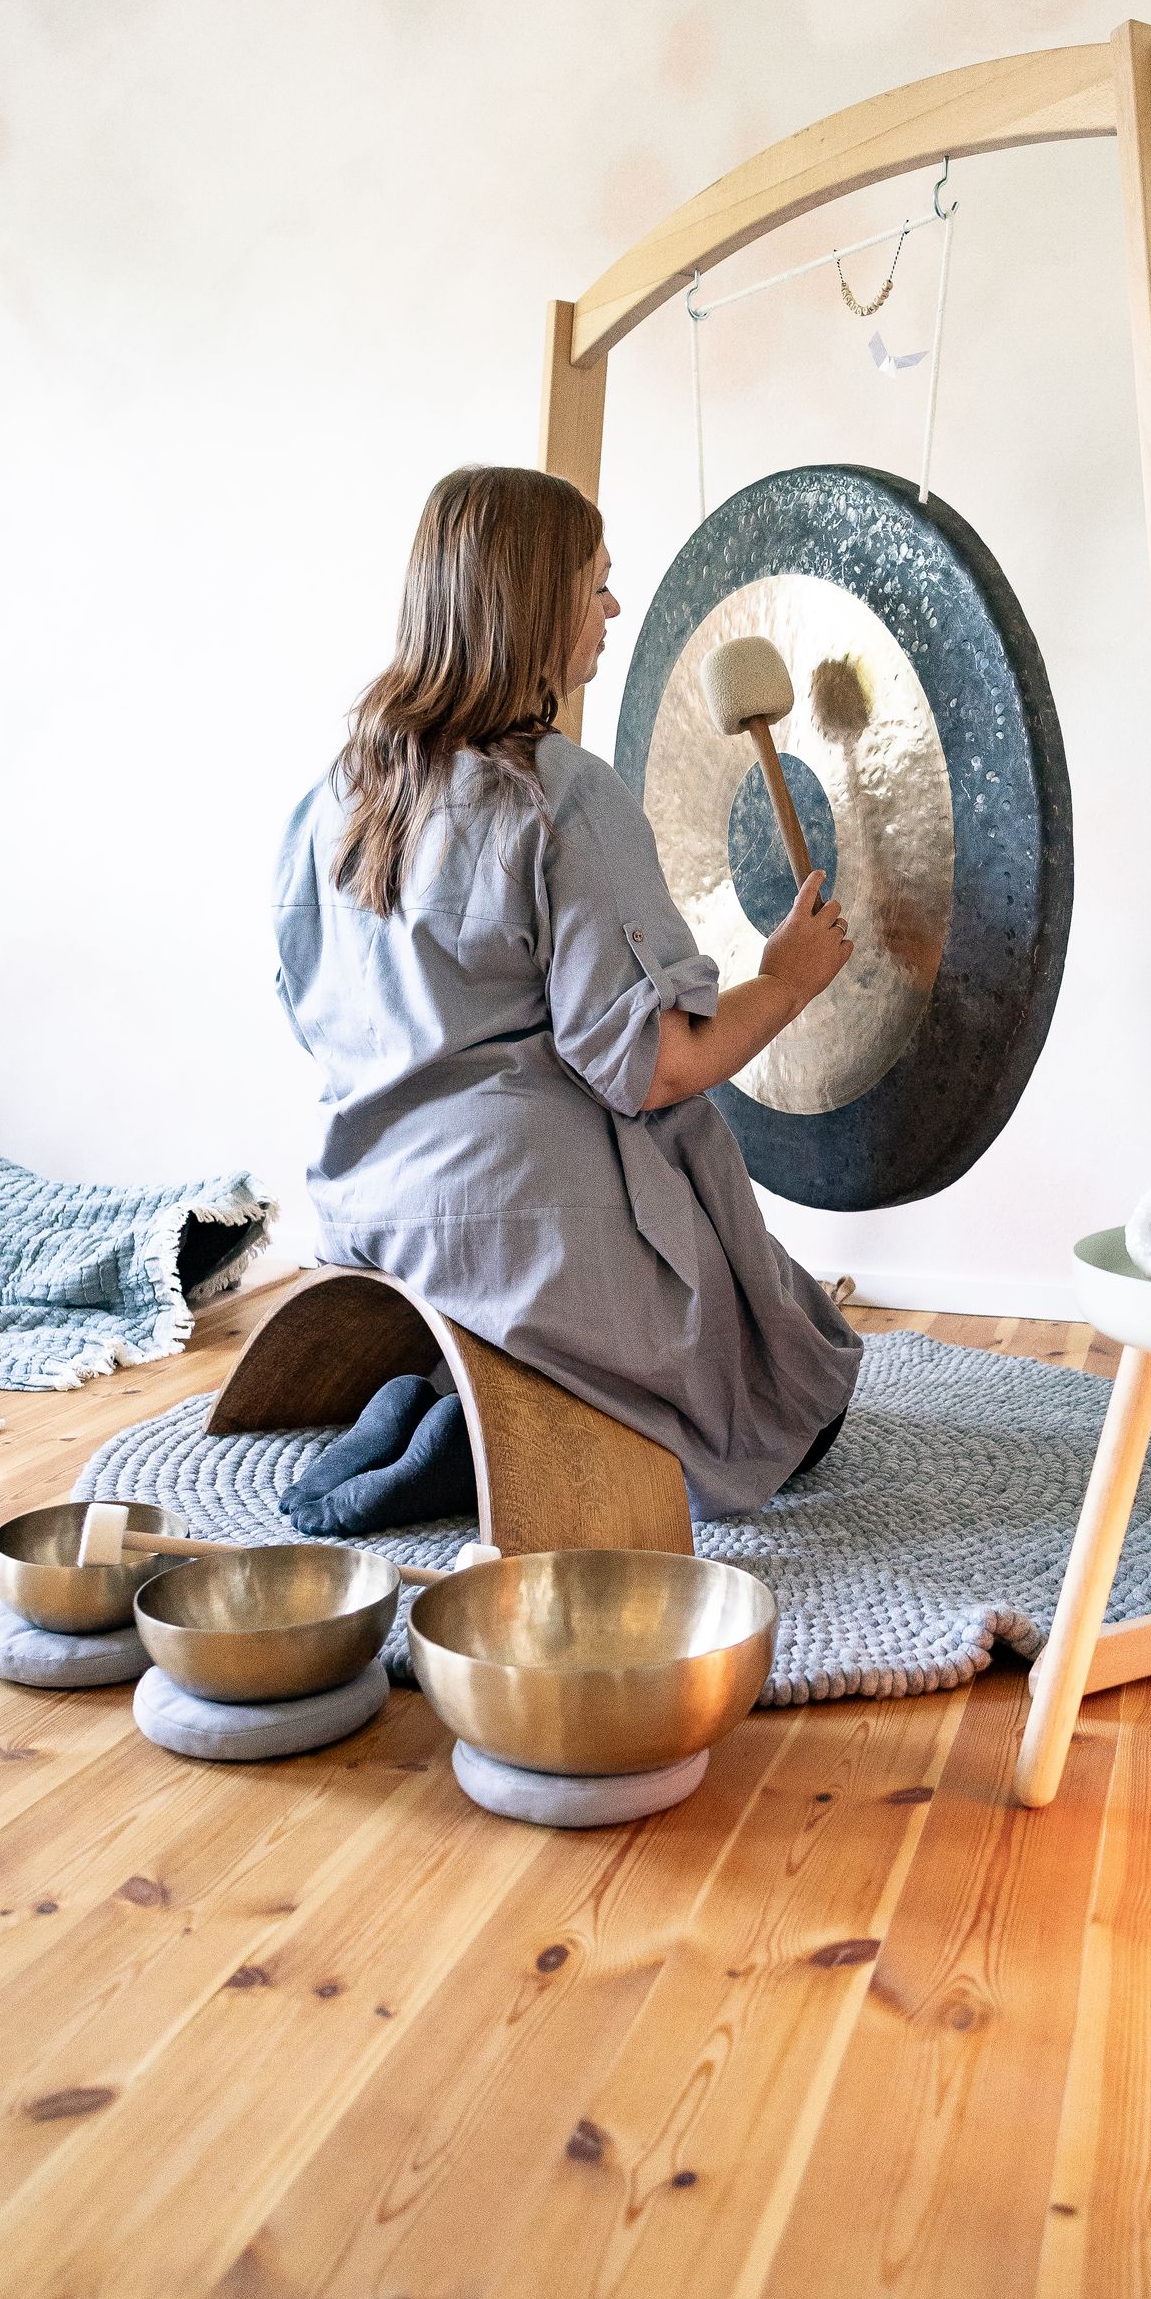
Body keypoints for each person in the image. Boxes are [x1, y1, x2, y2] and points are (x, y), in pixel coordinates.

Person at [271, 462, 861, 1528]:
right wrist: (787, 981)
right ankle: (486, 1439)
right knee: (799, 1397)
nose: (613, 610)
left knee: (768, 1323)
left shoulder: (335, 796)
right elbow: (653, 1066)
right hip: (524, 1229)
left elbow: (308, 1001)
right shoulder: (562, 796)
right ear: (536, 606)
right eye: (595, 585)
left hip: (367, 1220)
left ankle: (434, 1396)